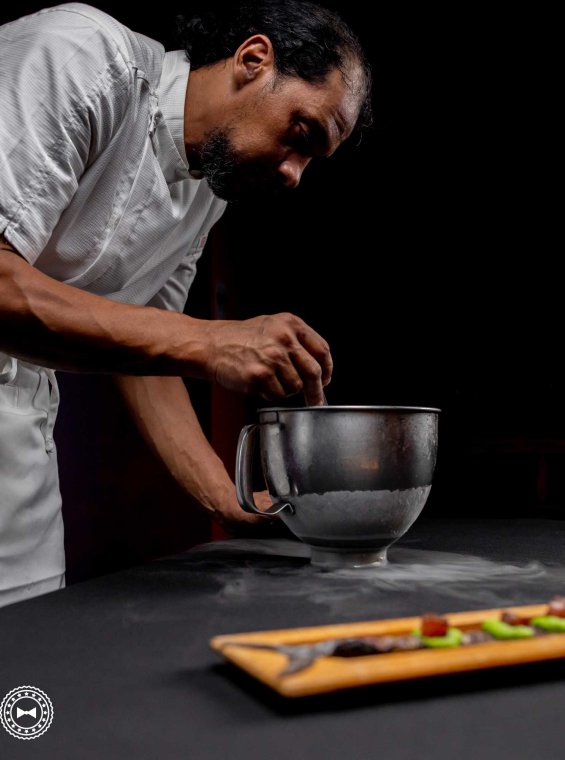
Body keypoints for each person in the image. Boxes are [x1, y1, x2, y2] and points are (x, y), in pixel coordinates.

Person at [0, 0, 372, 605]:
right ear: (254, 59)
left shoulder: (207, 196)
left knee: (22, 668)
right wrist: (211, 340)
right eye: (301, 134)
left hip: (22, 443)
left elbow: (145, 352)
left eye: (312, 160)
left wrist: (235, 504)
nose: (296, 175)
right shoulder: (81, 55)